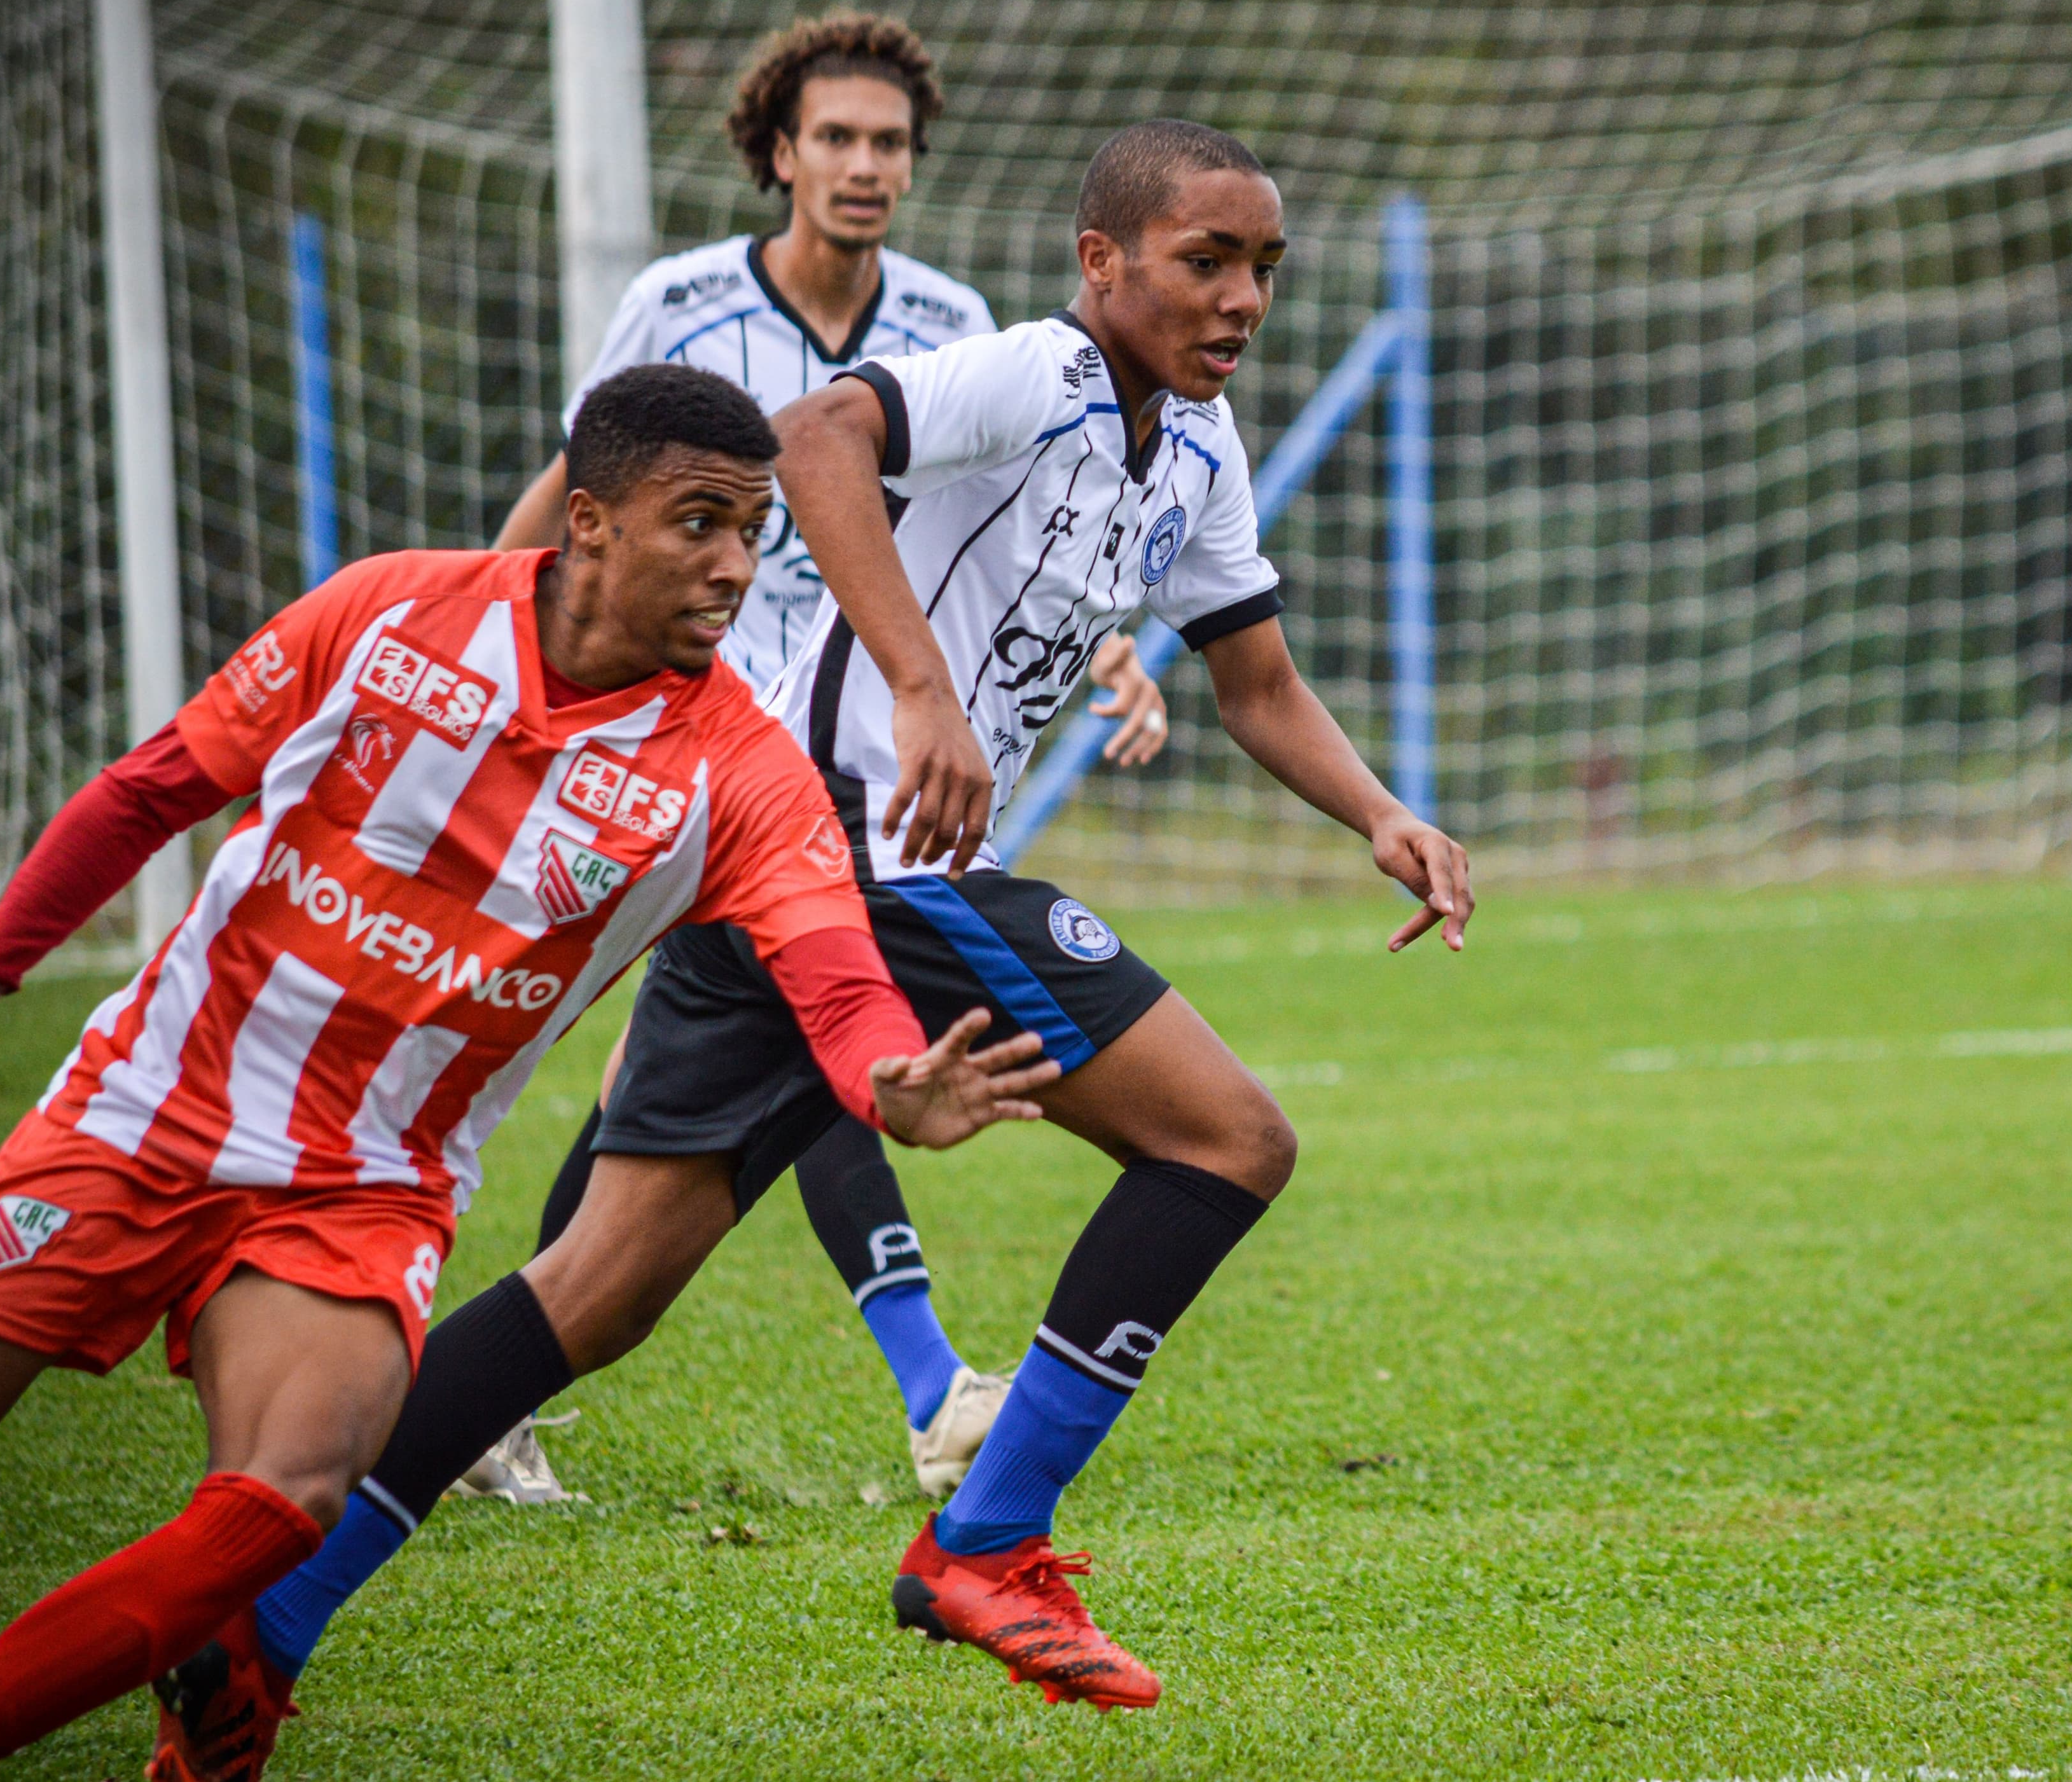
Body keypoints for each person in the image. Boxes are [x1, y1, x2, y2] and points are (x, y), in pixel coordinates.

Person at [212, 115, 1471, 1744]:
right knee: (1228, 1141)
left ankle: (258, 1623)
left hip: (772, 870)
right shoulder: (1036, 371)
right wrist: (921, 688)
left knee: (598, 1287)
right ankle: (985, 1543)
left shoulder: (1201, 451)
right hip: (875, 857)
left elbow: (1258, 682)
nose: (1243, 298)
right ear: (1102, 261)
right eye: (1206, 261)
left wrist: (1381, 814)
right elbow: (815, 436)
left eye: (1264, 268)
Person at [0, 364, 1054, 1782]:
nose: (737, 567)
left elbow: (839, 977)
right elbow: (157, 786)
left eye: (755, 533)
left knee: (289, 1495)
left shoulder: (740, 773)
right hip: (149, 1104)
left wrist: (888, 1082)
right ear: (589, 521)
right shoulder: (387, 611)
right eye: (700, 523)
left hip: (366, 1182)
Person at [465, 11, 1173, 1507]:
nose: (864, 165)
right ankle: (921, 1388)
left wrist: (1103, 650)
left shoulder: (951, 317)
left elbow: (1028, 528)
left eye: (889, 142)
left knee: (737, 1044)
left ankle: (483, 1393)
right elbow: (575, 490)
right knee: (693, 1026)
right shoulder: (679, 303)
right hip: (680, 730)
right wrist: (477, 650)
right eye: (836, 137)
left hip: (841, 767)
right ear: (778, 153)